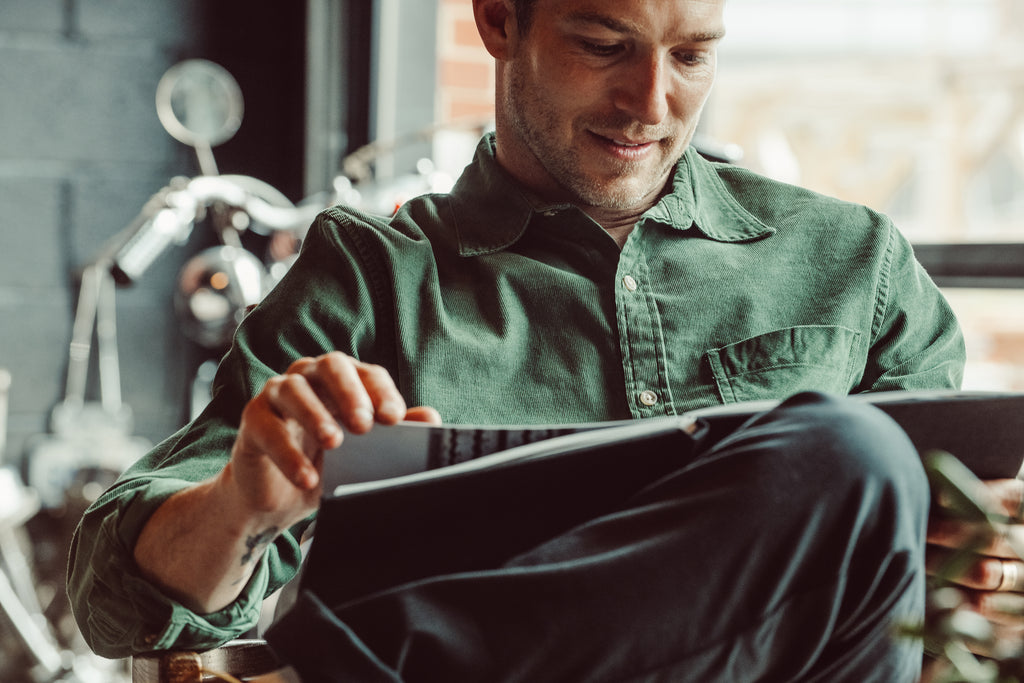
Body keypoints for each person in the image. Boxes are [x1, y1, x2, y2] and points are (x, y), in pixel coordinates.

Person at [67, 0, 1023, 680]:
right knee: (851, 453)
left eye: (692, 55)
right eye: (605, 45)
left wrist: (978, 551)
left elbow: (952, 595)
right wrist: (240, 499)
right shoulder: (372, 280)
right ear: (497, 19)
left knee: (858, 458)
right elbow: (115, 601)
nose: (652, 102)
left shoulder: (854, 261)